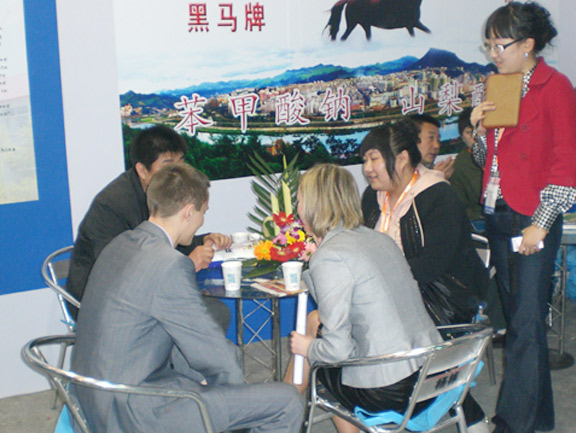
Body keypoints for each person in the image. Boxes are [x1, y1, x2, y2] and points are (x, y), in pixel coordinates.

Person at [72, 163, 304, 433]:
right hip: (131, 413)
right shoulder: (169, 264)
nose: (202, 222)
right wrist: (235, 397)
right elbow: (211, 350)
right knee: (287, 401)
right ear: (188, 212)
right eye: (203, 212)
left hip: (90, 398)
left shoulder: (121, 242)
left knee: (201, 367)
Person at [471, 3, 576, 432]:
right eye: (489, 45)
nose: (493, 53)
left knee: (525, 324)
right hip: (498, 212)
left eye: (500, 45)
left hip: (531, 217)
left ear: (528, 44)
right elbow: (489, 161)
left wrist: (542, 221)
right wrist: (479, 132)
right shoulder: (498, 85)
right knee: (519, 321)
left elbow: (566, 162)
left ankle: (513, 424)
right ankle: (539, 419)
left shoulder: (556, 87)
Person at [285, 163, 443, 433]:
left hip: (392, 388)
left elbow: (337, 351)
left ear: (311, 205)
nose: (297, 208)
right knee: (315, 321)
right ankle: (282, 403)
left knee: (321, 364)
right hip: (432, 373)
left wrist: (307, 347)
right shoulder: (378, 239)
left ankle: (280, 408)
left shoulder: (329, 256)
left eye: (299, 200)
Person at [360, 119, 489, 432]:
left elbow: (432, 266)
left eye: (374, 159)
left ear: (402, 158)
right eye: (365, 160)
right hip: (396, 295)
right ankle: (375, 397)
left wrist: (374, 286)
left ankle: (382, 399)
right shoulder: (372, 197)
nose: (367, 169)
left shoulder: (438, 197)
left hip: (445, 299)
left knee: (361, 329)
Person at [67, 125, 232, 327]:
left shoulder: (165, 195)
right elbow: (118, 274)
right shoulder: (113, 206)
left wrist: (202, 241)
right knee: (210, 314)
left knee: (213, 312)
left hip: (142, 291)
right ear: (142, 170)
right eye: (168, 165)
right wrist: (187, 264)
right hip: (103, 301)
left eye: (181, 163)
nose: (177, 173)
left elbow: (164, 242)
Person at [450, 107, 484, 229]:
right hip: (479, 222)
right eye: (469, 132)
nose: (475, 136)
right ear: (462, 137)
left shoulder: (501, 155)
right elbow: (462, 206)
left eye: (478, 130)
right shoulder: (458, 166)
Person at [410, 114, 455, 179]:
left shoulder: (434, 170)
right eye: (431, 138)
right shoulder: (399, 173)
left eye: (438, 140)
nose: (437, 146)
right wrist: (434, 178)